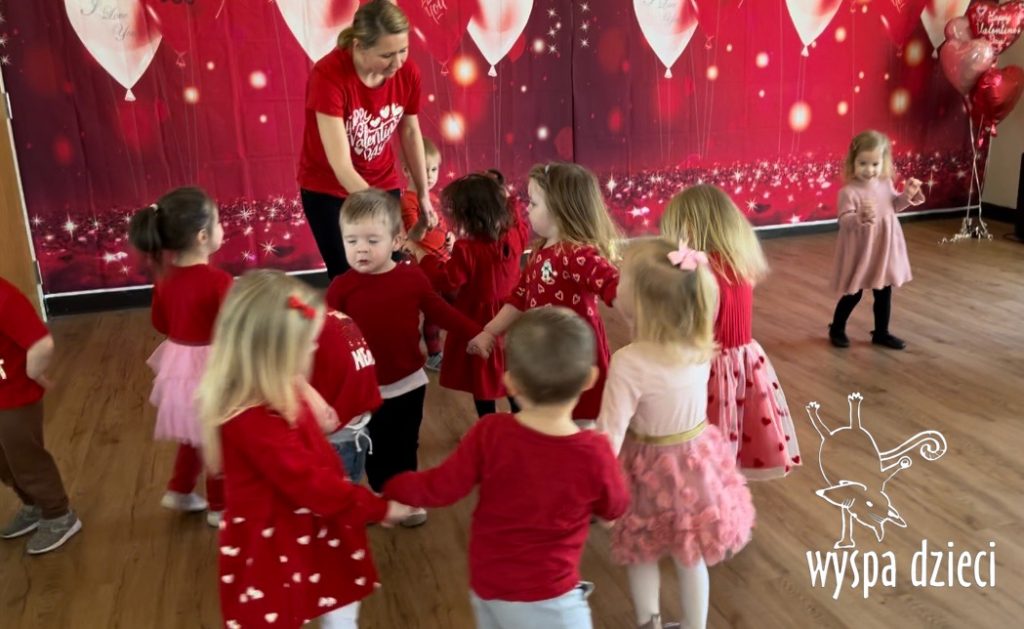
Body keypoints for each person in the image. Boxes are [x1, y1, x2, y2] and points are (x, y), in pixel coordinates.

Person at [384, 307, 630, 629]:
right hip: (551, 597)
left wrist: (395, 488)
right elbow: (615, 507)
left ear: (510, 383)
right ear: (590, 379)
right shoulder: (595, 452)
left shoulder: (490, 432)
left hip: (489, 584)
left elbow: (440, 487)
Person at [197, 270, 413, 629]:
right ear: (274, 354)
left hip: (308, 524)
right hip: (277, 540)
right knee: (286, 611)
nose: (314, 348)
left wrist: (308, 398)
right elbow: (309, 481)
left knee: (339, 598)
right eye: (306, 344)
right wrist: (378, 507)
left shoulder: (273, 386)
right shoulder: (251, 420)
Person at [597, 240, 755, 629]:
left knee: (641, 552)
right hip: (697, 464)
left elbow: (609, 434)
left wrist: (599, 490)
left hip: (644, 469)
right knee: (691, 556)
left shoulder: (628, 362)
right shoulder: (699, 346)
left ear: (640, 304)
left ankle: (648, 623)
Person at [325, 189, 481, 527]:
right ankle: (381, 495)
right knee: (374, 445)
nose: (361, 249)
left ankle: (406, 496)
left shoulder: (411, 278)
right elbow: (323, 334)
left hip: (409, 382)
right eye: (351, 241)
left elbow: (440, 311)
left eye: (371, 240)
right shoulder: (341, 287)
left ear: (397, 240)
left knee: (406, 443)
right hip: (363, 388)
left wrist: (477, 333)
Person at [660, 185, 799, 479]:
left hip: (709, 363)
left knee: (705, 429)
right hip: (741, 360)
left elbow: (693, 327)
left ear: (691, 227)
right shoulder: (738, 262)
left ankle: (708, 483)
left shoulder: (700, 271)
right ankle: (722, 480)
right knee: (731, 425)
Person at [468, 162, 621, 427]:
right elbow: (519, 298)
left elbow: (612, 284)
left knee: (580, 421)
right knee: (546, 415)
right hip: (545, 351)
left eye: (534, 203)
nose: (527, 209)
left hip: (574, 357)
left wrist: (641, 305)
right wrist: (489, 332)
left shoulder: (577, 254)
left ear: (560, 211)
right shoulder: (539, 252)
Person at [298, 0, 437, 279]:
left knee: (391, 270)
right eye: (387, 55)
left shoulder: (407, 73)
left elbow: (410, 132)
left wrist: (422, 194)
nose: (397, 62)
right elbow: (341, 166)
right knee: (349, 276)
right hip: (328, 190)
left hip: (382, 181)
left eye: (403, 50)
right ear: (359, 46)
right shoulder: (328, 76)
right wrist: (383, 214)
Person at [128, 187, 230, 526]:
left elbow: (160, 322)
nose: (223, 228)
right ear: (203, 236)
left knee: (194, 429)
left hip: (178, 364)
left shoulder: (164, 278)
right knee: (219, 436)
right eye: (219, 222)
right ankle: (220, 506)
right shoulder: (218, 280)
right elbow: (234, 326)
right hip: (212, 366)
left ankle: (180, 488)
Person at [405, 172, 530, 417]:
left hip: (480, 320)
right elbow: (515, 212)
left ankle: (488, 426)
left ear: (469, 216)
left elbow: (444, 279)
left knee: (482, 375)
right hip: (514, 314)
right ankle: (522, 422)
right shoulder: (516, 233)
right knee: (512, 369)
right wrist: (502, 194)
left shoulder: (467, 249)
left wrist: (419, 253)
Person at [0, 277, 81, 555]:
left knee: (26, 459)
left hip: (13, 398)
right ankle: (34, 504)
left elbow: (41, 344)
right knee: (5, 462)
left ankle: (59, 514)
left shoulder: (5, 298)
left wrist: (33, 373)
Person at [828, 130, 924, 350]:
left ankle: (881, 333)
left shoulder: (885, 183)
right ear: (852, 163)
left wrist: (907, 195)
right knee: (854, 293)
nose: (869, 170)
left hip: (883, 247)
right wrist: (859, 217)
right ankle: (837, 328)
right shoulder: (849, 192)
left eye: (874, 164)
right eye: (863, 163)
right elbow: (844, 221)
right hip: (862, 249)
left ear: (884, 163)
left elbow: (894, 206)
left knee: (884, 292)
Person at [399, 136, 453, 371]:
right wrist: (423, 223)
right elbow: (413, 235)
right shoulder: (408, 200)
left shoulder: (432, 197)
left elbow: (441, 226)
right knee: (433, 311)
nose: (430, 176)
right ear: (407, 171)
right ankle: (434, 353)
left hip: (442, 262)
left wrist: (450, 237)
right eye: (424, 170)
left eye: (433, 169)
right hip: (424, 266)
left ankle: (451, 344)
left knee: (448, 306)